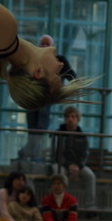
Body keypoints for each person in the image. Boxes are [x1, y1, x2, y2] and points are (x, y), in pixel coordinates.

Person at [17, 34, 78, 166]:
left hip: (46, 98)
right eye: (42, 44)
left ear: (52, 46)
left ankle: (25, 154)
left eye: (47, 44)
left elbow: (71, 75)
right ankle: (33, 156)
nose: (44, 46)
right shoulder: (32, 58)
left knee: (41, 127)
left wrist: (70, 85)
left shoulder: (59, 60)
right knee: (32, 128)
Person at [54, 106, 96, 210]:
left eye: (73, 117)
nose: (70, 119)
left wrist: (78, 166)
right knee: (58, 173)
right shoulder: (59, 133)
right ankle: (59, 203)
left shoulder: (82, 136)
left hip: (78, 166)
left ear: (77, 119)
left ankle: (90, 206)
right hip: (61, 164)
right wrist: (69, 165)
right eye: (68, 116)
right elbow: (57, 153)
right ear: (65, 119)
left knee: (90, 175)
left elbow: (84, 154)